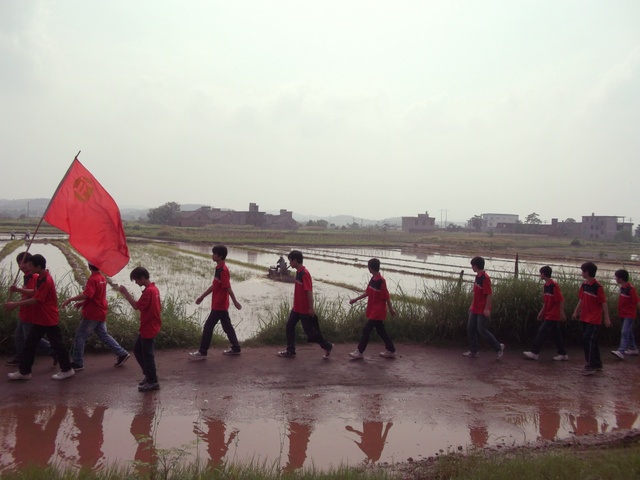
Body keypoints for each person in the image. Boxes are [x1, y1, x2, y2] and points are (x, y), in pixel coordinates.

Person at [4, 254, 74, 381]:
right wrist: (18, 289)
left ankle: (67, 369)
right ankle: (24, 372)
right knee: (30, 344)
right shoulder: (40, 277)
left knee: (57, 345)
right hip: (41, 318)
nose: (28, 267)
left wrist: (15, 304)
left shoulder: (46, 281)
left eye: (31, 265)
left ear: (38, 266)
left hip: (48, 318)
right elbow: (34, 292)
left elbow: (36, 299)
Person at [61, 263, 130, 370]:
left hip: (92, 314)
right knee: (103, 335)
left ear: (89, 266)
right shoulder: (102, 278)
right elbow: (96, 296)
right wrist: (82, 304)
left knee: (80, 336)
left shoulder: (93, 279)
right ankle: (122, 353)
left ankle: (78, 363)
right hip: (101, 311)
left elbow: (87, 295)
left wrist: (70, 299)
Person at [189, 245, 242, 360]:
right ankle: (236, 347)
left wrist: (235, 301)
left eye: (214, 254)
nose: (212, 255)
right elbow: (215, 285)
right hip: (220, 303)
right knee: (227, 326)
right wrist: (202, 296)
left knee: (208, 326)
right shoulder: (219, 268)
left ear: (220, 256)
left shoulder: (223, 270)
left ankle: (202, 352)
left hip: (220, 304)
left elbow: (228, 288)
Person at [278, 250, 333, 359]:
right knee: (289, 326)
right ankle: (290, 350)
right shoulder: (298, 272)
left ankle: (327, 345)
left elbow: (309, 291)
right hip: (296, 308)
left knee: (310, 332)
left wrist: (311, 308)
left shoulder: (304, 274)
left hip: (304, 309)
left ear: (295, 261)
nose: (290, 263)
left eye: (290, 261)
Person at [5, 251, 55, 366]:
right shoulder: (28, 276)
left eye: (24, 263)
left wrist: (15, 304)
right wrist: (17, 290)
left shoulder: (34, 277)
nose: (21, 266)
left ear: (32, 264)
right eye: (19, 263)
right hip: (25, 311)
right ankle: (21, 356)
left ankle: (53, 350)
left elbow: (33, 296)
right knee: (20, 336)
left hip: (30, 312)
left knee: (31, 338)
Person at [118, 267, 161, 392]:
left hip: (149, 327)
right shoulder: (154, 289)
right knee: (138, 350)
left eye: (136, 280)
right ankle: (149, 375)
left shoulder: (149, 291)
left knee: (147, 355)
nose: (136, 283)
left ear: (142, 278)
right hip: (149, 325)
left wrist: (125, 293)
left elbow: (136, 306)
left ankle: (153, 381)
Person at [348, 258, 397, 359]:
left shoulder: (381, 281)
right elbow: (367, 292)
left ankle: (359, 352)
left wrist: (391, 310)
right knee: (381, 331)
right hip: (373, 310)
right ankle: (391, 350)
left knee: (367, 330)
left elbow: (386, 297)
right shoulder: (373, 279)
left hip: (377, 311)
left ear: (370, 268)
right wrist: (355, 299)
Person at [572, 261, 611, 376]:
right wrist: (576, 311)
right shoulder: (584, 285)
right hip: (585, 317)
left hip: (594, 319)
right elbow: (581, 299)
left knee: (587, 339)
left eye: (583, 271)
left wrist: (607, 318)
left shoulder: (597, 287)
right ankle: (597, 364)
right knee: (591, 341)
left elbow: (603, 302)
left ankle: (590, 365)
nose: (582, 273)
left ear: (587, 272)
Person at [463, 256, 505, 359]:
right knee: (470, 328)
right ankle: (473, 351)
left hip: (482, 308)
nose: (472, 267)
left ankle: (498, 347)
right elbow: (476, 293)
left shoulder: (485, 278)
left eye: (472, 266)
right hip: (475, 307)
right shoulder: (477, 277)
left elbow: (489, 294)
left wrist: (486, 309)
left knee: (482, 330)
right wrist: (471, 305)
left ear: (475, 266)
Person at [523, 266, 568, 361]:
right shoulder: (546, 286)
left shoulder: (553, 285)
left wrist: (561, 313)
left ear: (543, 274)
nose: (540, 275)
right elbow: (546, 302)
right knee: (557, 334)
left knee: (541, 331)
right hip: (549, 313)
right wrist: (541, 312)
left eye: (541, 273)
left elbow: (561, 300)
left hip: (553, 314)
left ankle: (534, 352)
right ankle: (563, 353)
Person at [610, 269, 639, 360]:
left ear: (621, 278)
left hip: (629, 314)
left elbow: (636, 301)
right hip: (623, 313)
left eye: (616, 277)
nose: (615, 279)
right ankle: (633, 348)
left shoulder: (630, 288)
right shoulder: (622, 288)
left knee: (624, 332)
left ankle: (621, 351)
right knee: (628, 332)